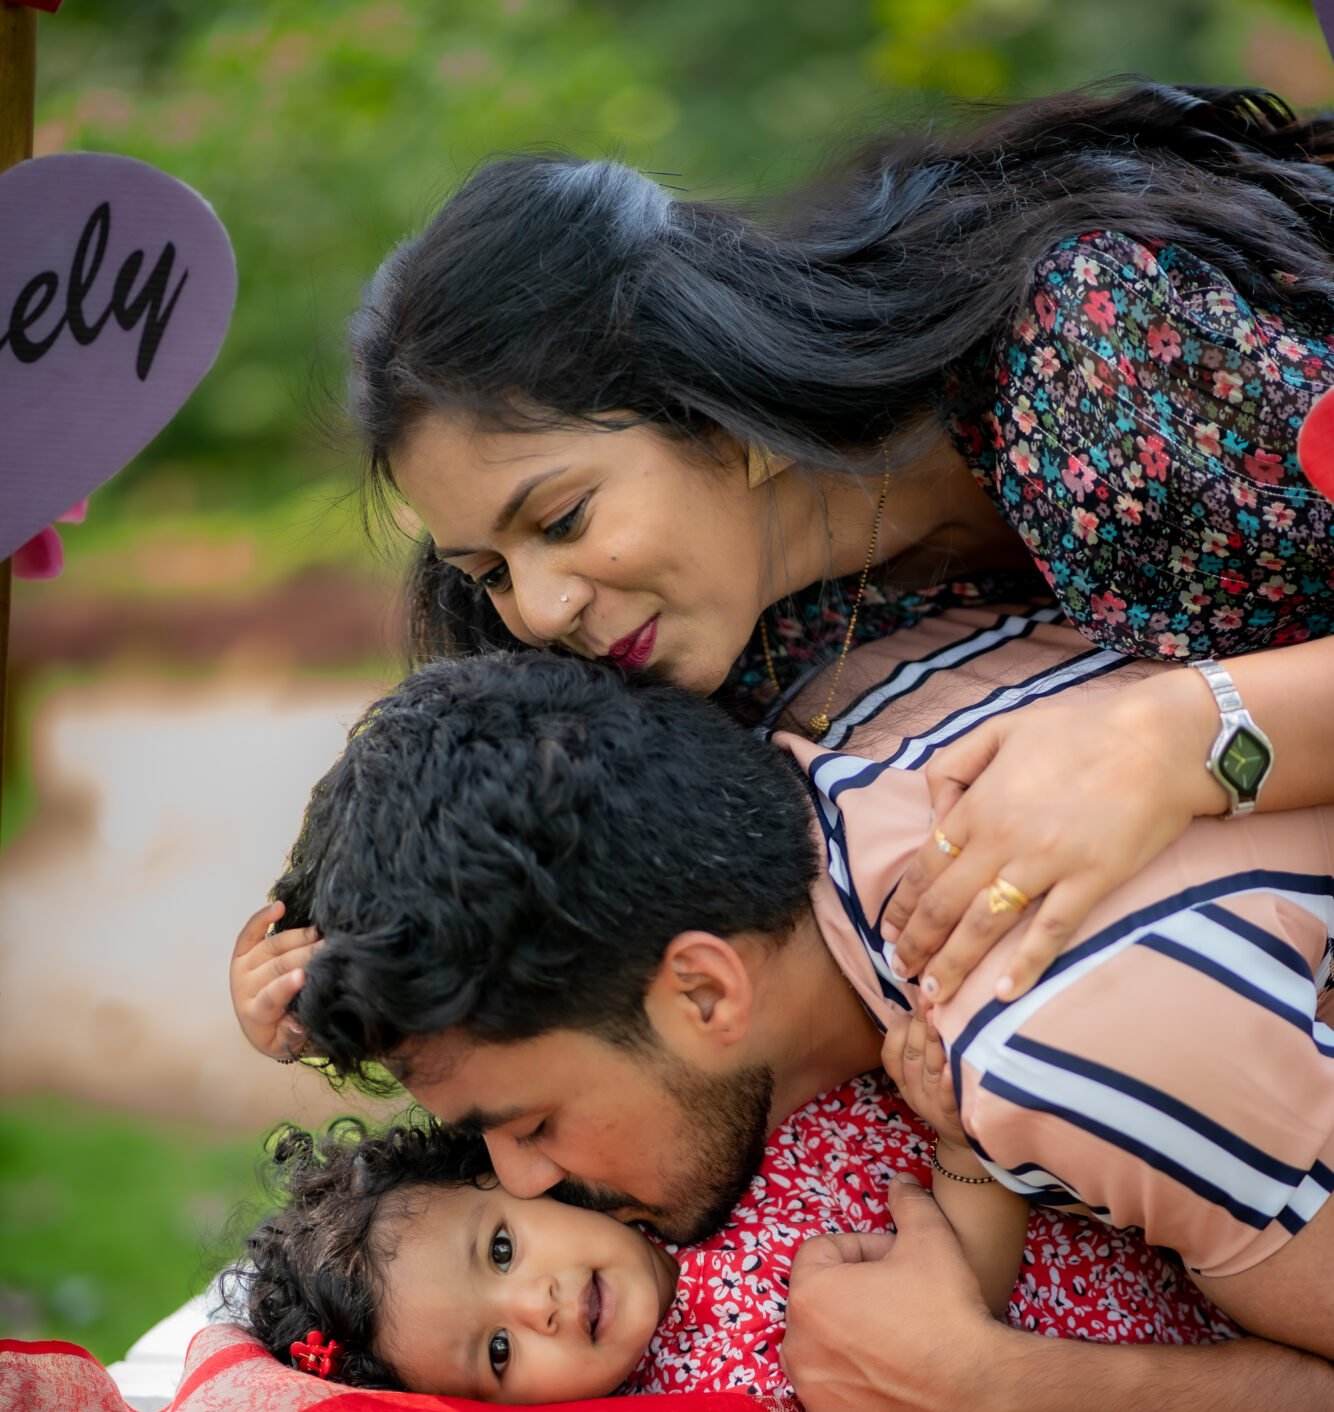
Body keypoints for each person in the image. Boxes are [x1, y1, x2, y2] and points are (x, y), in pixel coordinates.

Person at [229, 637, 1334, 1412]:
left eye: (530, 1123)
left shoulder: (1046, 1051)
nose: (518, 1178)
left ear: (705, 992)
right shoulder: (844, 691)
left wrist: (996, 1388)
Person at [346, 80, 1334, 1008]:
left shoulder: (1090, 345)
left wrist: (1173, 739)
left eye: (563, 520)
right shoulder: (730, 637)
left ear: (712, 403)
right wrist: (358, 964)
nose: (542, 608)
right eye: (490, 572)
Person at [236, 1071, 1234, 1407]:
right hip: (1168, 1355)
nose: (536, 1303)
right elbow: (953, 1312)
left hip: (1140, 1182)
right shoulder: (709, 1396)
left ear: (510, 1181)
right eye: (498, 1353)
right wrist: (964, 1144)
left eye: (501, 1251)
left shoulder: (671, 1155)